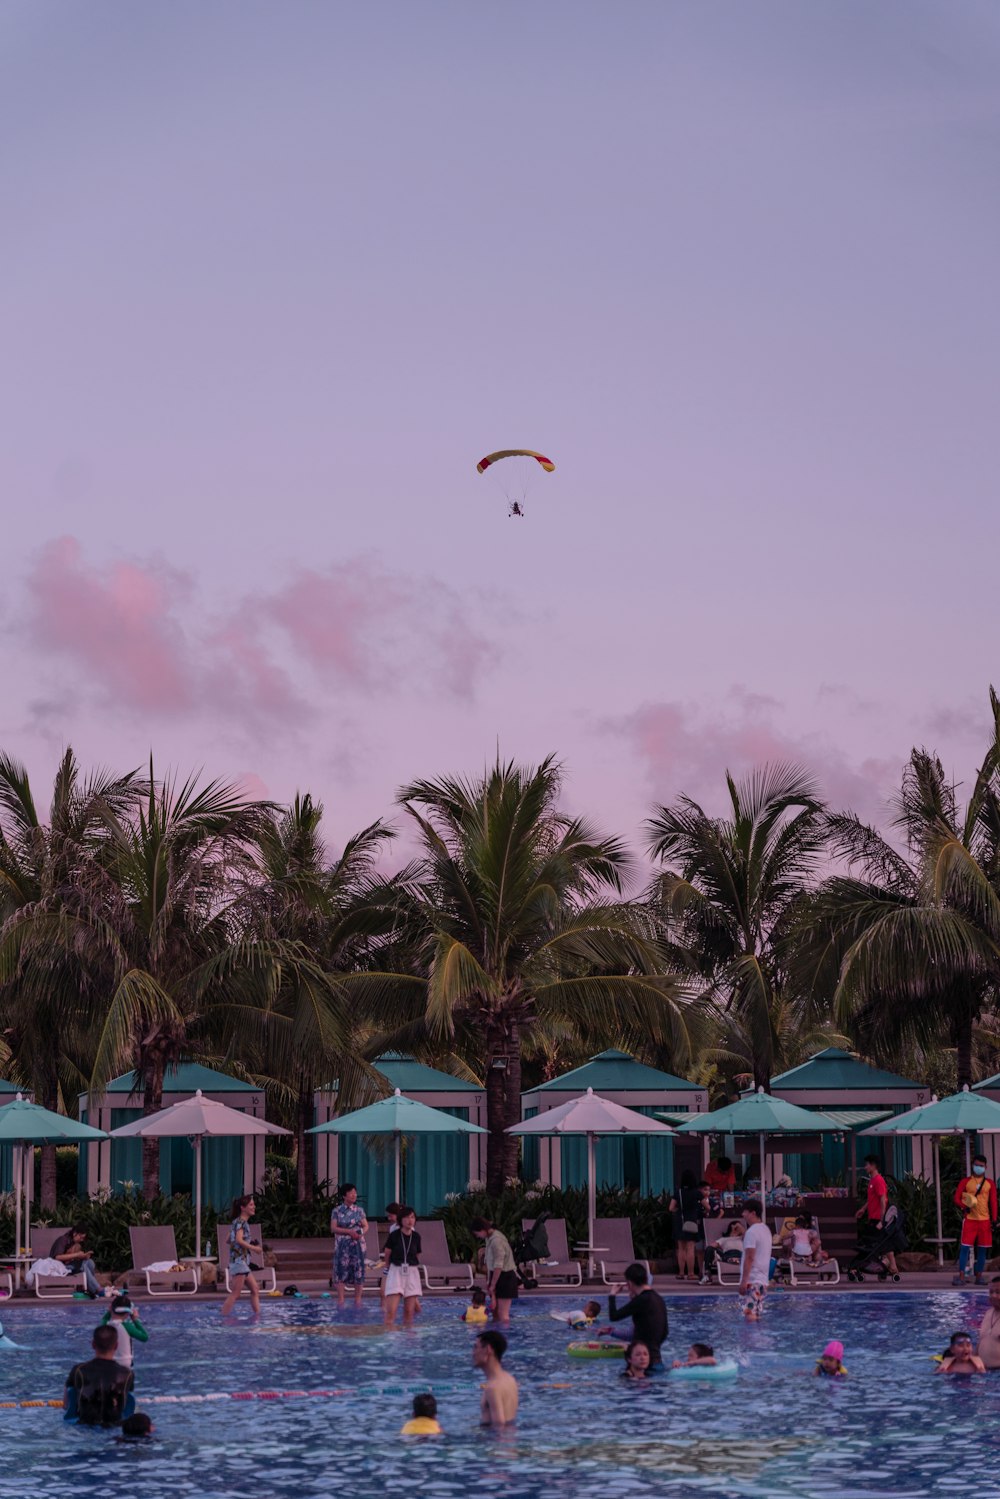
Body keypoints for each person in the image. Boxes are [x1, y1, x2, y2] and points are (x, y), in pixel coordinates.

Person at [64, 1325, 134, 1426]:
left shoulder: (78, 1370)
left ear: (93, 1344)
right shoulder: (127, 1374)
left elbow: (66, 1404)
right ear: (116, 1346)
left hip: (85, 1426)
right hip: (115, 1426)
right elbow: (128, 1405)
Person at [600, 1262, 668, 1365]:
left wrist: (612, 1295)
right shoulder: (658, 1298)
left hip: (641, 1364)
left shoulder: (641, 1300)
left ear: (630, 1284)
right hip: (656, 1359)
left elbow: (614, 1316)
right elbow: (665, 1331)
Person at [952, 1155, 997, 1286]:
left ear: (986, 1167)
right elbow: (957, 1198)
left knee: (982, 1250)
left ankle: (979, 1276)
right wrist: (964, 1206)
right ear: (972, 1166)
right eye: (976, 1165)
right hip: (970, 1220)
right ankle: (961, 1276)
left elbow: (993, 1202)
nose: (979, 1168)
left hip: (985, 1221)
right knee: (964, 1249)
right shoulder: (965, 1182)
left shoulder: (990, 1183)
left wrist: (994, 1220)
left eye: (981, 1166)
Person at [469, 1217, 520, 1325]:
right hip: (496, 1276)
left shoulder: (497, 1240)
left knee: (503, 1314)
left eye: (477, 1233)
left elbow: (498, 1265)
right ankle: (495, 1334)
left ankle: (504, 1337)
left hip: (505, 1277)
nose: (477, 1236)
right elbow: (491, 1263)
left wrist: (493, 1285)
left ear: (483, 1229)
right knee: (494, 1312)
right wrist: (489, 1282)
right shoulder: (489, 1238)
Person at [856, 1156, 898, 1276]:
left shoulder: (878, 1180)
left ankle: (890, 1266)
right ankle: (893, 1267)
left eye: (867, 1165)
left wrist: (882, 1219)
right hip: (873, 1216)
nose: (865, 1167)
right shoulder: (872, 1180)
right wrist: (863, 1209)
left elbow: (883, 1199)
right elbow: (872, 1199)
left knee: (877, 1242)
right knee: (884, 1241)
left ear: (873, 1166)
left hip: (877, 1218)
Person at [221, 1194, 261, 1316]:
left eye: (253, 1205)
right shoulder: (241, 1223)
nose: (254, 1207)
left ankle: (257, 1316)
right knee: (235, 1294)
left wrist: (243, 1243)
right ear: (243, 1208)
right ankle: (223, 1318)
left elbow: (228, 1239)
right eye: (251, 1205)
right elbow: (238, 1240)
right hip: (239, 1262)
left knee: (255, 1289)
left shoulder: (237, 1222)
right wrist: (254, 1248)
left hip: (242, 1262)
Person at [330, 1182, 369, 1308]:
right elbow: (333, 1228)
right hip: (343, 1245)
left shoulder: (359, 1210)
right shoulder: (337, 1211)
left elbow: (366, 1225)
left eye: (355, 1192)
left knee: (358, 1271)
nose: (353, 1195)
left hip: (358, 1243)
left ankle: (358, 1300)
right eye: (351, 1193)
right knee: (341, 1270)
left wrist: (360, 1233)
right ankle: (341, 1299)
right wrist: (349, 1232)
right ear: (344, 1195)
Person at [384, 1205, 422, 1325]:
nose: (410, 1220)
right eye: (406, 1217)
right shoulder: (394, 1235)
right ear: (401, 1220)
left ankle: (407, 1340)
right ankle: (389, 1338)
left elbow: (417, 1254)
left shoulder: (416, 1236)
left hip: (412, 1272)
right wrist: (387, 1267)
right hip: (396, 1271)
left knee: (409, 1312)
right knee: (391, 1312)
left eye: (412, 1217)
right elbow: (387, 1252)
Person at [473, 1329, 518, 1425]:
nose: (473, 1353)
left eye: (476, 1347)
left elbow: (499, 1428)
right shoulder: (510, 1379)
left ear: (488, 1349)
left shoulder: (493, 1388)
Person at [51, 1225, 107, 1299]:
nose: (81, 1240)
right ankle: (97, 1289)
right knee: (82, 1266)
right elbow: (57, 1257)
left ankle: (88, 1288)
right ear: (75, 1233)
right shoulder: (63, 1240)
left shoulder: (74, 1243)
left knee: (90, 1262)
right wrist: (76, 1254)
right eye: (81, 1237)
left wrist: (83, 1257)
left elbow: (72, 1258)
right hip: (59, 1267)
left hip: (69, 1266)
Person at [738, 1199, 772, 1320]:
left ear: (752, 1213)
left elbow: (750, 1257)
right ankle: (759, 1338)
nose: (743, 1215)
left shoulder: (751, 1232)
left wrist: (744, 1281)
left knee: (749, 1314)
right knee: (756, 1313)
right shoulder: (765, 1230)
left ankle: (751, 1339)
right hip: (762, 1280)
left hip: (752, 1280)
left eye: (745, 1212)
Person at [669, 1169, 703, 1282]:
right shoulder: (697, 1192)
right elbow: (707, 1206)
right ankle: (691, 1273)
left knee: (681, 1248)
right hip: (691, 1221)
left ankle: (681, 1273)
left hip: (680, 1221)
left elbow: (671, 1208)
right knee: (690, 1248)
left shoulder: (678, 1192)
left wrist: (678, 1210)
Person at [100, 1294, 149, 1367]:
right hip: (125, 1363)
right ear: (128, 1313)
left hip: (110, 1363)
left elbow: (104, 1319)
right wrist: (135, 1320)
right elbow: (145, 1337)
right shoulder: (128, 1327)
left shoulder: (105, 1325)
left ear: (111, 1309)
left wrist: (109, 1312)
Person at [974, 1276, 1000, 1369]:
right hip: (983, 1372)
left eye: (998, 1292)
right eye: (991, 1292)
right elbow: (982, 1340)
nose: (993, 1296)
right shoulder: (989, 1313)